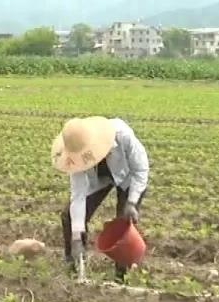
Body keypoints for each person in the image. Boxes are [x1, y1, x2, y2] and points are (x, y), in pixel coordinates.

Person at [50, 116, 149, 282]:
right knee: (69, 217)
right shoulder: (75, 158)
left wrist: (132, 202)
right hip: (98, 181)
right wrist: (76, 237)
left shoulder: (122, 135)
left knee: (123, 223)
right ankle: (75, 266)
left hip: (128, 177)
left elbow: (140, 170)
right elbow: (78, 196)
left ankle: (121, 275)